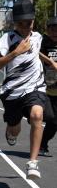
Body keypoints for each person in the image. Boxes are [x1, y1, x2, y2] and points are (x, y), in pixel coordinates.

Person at [0, 0, 46, 179]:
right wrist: (16, 52)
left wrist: (52, 63)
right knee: (15, 129)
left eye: (29, 23)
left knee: (37, 115)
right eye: (21, 24)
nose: (26, 27)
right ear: (15, 23)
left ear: (33, 21)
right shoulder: (6, 39)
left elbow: (40, 53)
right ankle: (11, 129)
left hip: (35, 87)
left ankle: (33, 163)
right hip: (12, 93)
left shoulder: (38, 37)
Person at [39, 16, 57, 157]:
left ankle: (43, 143)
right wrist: (51, 62)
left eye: (56, 29)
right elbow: (35, 52)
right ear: (47, 30)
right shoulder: (43, 42)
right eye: (51, 29)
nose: (54, 31)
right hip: (46, 87)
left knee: (54, 122)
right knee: (50, 118)